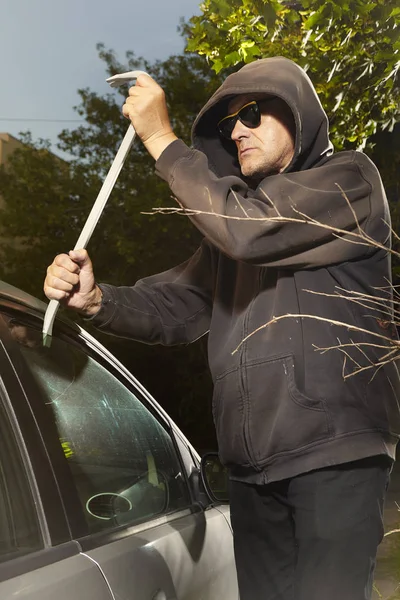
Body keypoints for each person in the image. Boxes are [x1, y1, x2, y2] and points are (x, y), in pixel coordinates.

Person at [44, 56, 400, 600]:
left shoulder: (348, 181)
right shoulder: (234, 230)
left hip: (335, 455)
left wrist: (162, 138)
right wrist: (96, 299)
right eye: (230, 123)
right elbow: (176, 307)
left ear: (298, 115)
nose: (237, 130)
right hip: (251, 471)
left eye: (252, 113)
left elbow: (247, 231)